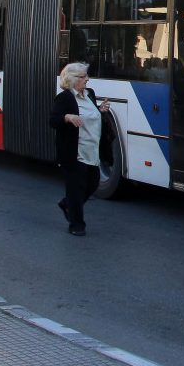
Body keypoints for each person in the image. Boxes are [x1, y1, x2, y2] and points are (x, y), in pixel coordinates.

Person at [50, 62, 108, 236]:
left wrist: (100, 110)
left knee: (93, 183)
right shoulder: (65, 98)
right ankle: (77, 224)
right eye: (83, 77)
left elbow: (89, 115)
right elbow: (53, 120)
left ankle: (67, 204)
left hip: (92, 149)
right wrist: (67, 117)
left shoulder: (89, 94)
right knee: (76, 188)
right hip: (74, 151)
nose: (87, 79)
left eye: (86, 76)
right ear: (73, 79)